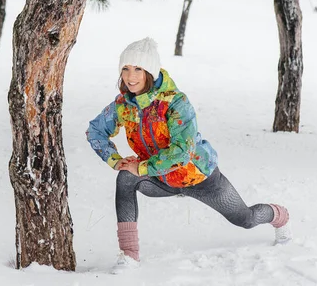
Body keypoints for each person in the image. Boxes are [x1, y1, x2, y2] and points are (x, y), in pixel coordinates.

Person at [86, 37, 291, 273]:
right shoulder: (123, 105)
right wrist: (116, 160)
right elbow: (95, 130)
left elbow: (182, 153)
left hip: (200, 178)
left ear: (150, 71)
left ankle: (279, 215)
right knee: (125, 177)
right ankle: (129, 256)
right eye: (125, 68)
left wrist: (141, 168)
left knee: (244, 219)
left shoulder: (175, 102)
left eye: (138, 69)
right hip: (160, 180)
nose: (130, 76)